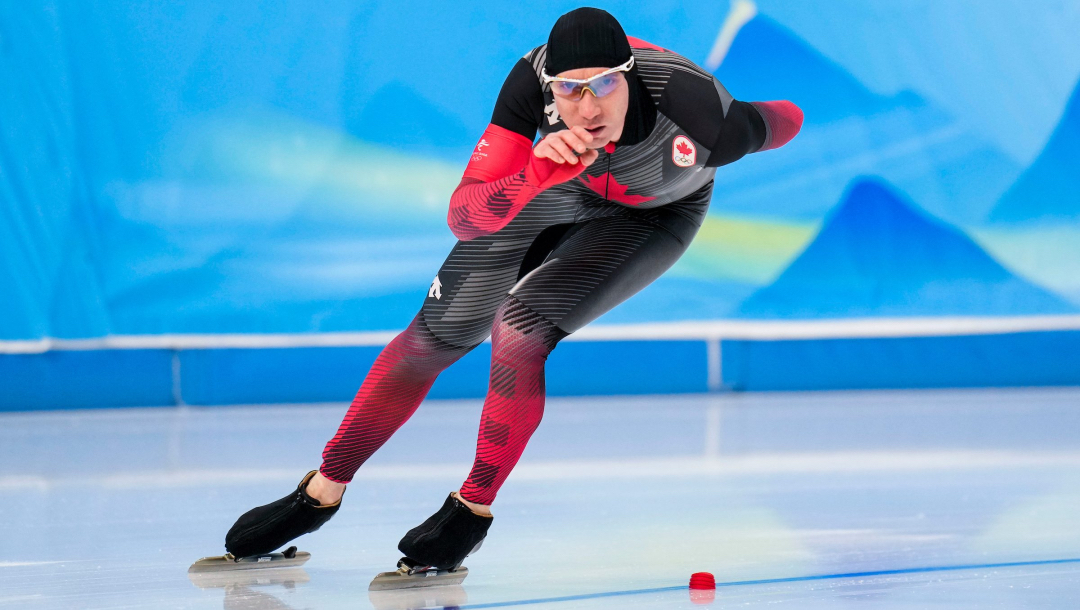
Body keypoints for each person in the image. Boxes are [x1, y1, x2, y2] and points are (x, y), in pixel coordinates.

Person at [223, 7, 802, 575]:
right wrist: (533, 175)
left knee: (518, 329)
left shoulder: (699, 112)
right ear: (551, 87)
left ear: (628, 76)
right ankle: (321, 491)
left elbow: (787, 117)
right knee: (430, 339)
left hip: (654, 216)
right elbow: (464, 216)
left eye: (604, 85)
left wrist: (773, 116)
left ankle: (470, 510)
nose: (588, 107)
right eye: (570, 91)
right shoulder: (529, 80)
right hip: (555, 186)